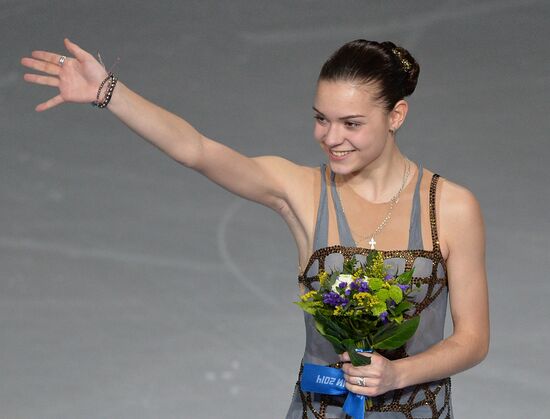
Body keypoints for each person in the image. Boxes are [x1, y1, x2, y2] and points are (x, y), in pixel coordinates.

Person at [21, 38, 489, 418]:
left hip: (420, 410)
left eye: (351, 123)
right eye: (321, 120)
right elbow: (198, 150)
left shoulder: (449, 207)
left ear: (396, 116)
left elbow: (473, 339)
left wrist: (398, 376)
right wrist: (109, 92)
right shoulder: (301, 190)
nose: (331, 137)